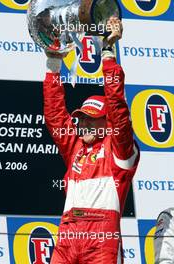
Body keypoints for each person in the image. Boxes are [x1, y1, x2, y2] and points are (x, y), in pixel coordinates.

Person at [43, 17, 140, 264]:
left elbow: (118, 108)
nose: (83, 123)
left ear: (107, 123)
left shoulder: (120, 151)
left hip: (102, 239)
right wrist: (54, 65)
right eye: (82, 118)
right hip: (68, 236)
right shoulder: (75, 146)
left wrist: (107, 54)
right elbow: (55, 116)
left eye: (91, 119)